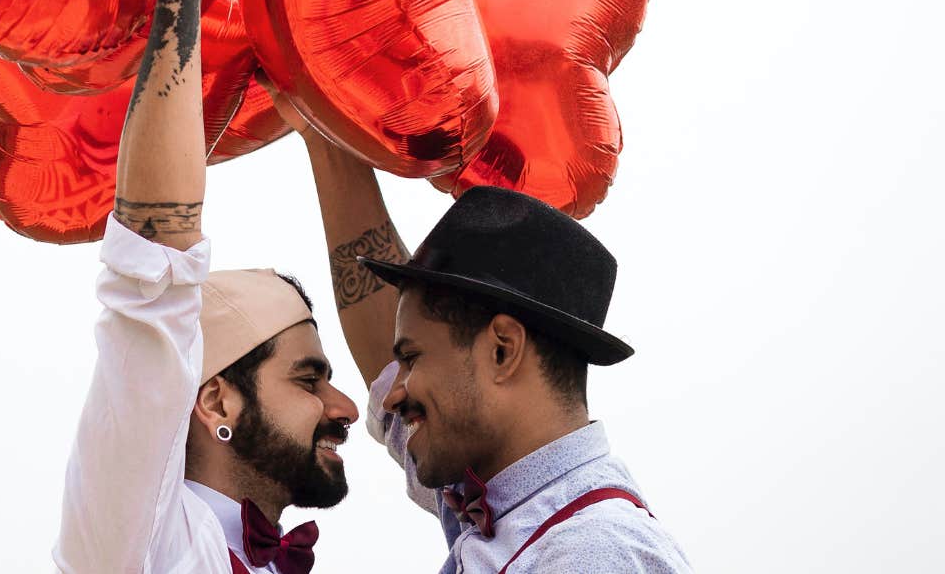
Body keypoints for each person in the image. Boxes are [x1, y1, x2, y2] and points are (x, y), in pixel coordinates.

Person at [264, 90, 692, 572]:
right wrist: (326, 132)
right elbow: (386, 340)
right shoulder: (498, 498)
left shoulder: (587, 553)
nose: (391, 394)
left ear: (503, 351)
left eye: (413, 359)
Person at [52, 0, 359, 573]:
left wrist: (329, 129)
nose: (345, 406)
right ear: (216, 400)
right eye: (308, 380)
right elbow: (153, 273)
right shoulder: (139, 543)